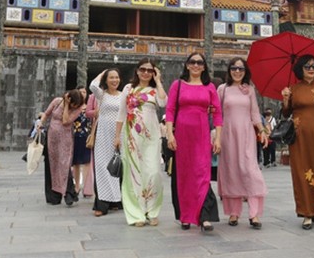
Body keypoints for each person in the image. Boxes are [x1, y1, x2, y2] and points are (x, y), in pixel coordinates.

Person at [165, 52, 223, 232]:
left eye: (200, 62)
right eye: (193, 62)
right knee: (184, 176)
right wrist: (170, 134)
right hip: (182, 134)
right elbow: (170, 110)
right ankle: (186, 216)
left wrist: (218, 138)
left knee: (202, 174)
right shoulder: (178, 85)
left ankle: (204, 216)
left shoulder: (210, 87)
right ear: (187, 65)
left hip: (202, 134)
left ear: (204, 66)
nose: (196, 65)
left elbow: (218, 114)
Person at [281, 54, 314, 230]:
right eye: (307, 66)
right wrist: (285, 99)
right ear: (300, 69)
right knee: (301, 173)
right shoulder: (293, 89)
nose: (311, 69)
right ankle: (306, 212)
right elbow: (285, 113)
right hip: (299, 138)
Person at [112, 58, 167, 227]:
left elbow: (164, 102)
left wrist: (158, 81)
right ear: (137, 71)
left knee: (154, 173)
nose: (145, 73)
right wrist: (117, 136)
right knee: (134, 175)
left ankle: (152, 210)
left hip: (152, 139)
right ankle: (136, 213)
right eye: (142, 69)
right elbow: (121, 113)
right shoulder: (129, 89)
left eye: (150, 70)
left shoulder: (154, 90)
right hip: (132, 138)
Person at [217, 57, 268, 229]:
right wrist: (215, 136)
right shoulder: (222, 89)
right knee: (231, 172)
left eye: (241, 69)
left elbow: (255, 113)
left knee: (250, 171)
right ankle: (234, 212)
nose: (237, 71)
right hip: (228, 135)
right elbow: (217, 115)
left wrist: (262, 131)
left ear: (245, 71)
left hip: (246, 135)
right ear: (229, 70)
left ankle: (254, 214)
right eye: (234, 68)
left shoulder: (250, 90)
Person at [37, 89, 85, 206]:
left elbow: (65, 121)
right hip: (52, 138)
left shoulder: (77, 109)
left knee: (64, 164)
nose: (75, 106)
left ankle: (69, 193)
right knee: (51, 164)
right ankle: (53, 196)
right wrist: (40, 122)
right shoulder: (57, 101)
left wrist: (68, 106)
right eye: (73, 103)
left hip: (65, 139)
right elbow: (47, 114)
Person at [89, 68, 123, 216]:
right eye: (111, 78)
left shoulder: (123, 96)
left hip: (119, 134)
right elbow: (92, 85)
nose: (114, 80)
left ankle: (116, 201)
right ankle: (101, 204)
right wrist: (103, 72)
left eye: (116, 77)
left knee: (116, 168)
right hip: (103, 135)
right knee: (102, 167)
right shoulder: (101, 94)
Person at [72, 86, 91, 197]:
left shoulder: (89, 106)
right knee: (76, 163)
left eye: (84, 92)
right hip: (75, 135)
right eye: (80, 92)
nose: (83, 94)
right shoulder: (73, 107)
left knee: (87, 161)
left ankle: (85, 186)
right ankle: (77, 185)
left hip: (87, 136)